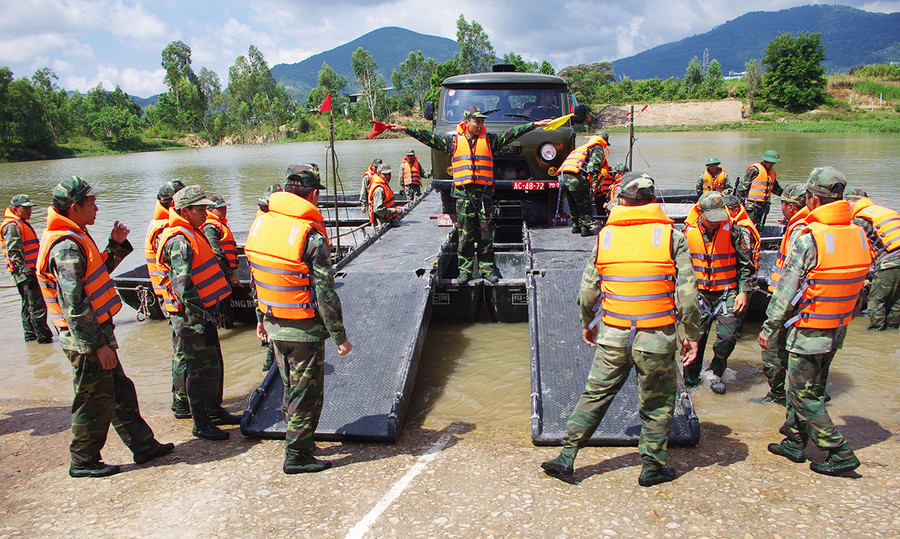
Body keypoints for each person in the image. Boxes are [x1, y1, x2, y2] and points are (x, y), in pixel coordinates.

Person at [540, 172, 701, 487]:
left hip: (613, 335)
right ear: (652, 201)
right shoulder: (672, 237)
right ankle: (652, 468)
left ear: (622, 201)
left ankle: (567, 457)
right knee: (656, 402)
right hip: (656, 339)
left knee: (595, 394)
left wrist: (588, 323)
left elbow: (588, 292)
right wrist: (691, 336)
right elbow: (688, 296)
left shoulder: (605, 236)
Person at [36, 176, 173, 477]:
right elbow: (75, 305)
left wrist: (116, 246)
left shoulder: (76, 236)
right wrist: (98, 346)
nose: (97, 207)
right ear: (74, 208)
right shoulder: (66, 247)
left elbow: (94, 274)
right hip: (86, 339)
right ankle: (83, 461)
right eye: (91, 202)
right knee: (92, 400)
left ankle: (144, 445)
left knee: (120, 392)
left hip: (96, 335)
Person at [759, 167, 870, 476]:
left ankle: (839, 450)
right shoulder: (858, 234)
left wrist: (769, 328)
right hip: (837, 328)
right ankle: (794, 441)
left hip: (808, 329)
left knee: (801, 393)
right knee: (812, 387)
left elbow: (785, 291)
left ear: (811, 198)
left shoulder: (812, 239)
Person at [244, 165, 353, 474]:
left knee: (290, 387)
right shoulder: (311, 236)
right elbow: (325, 294)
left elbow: (257, 279)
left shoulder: (263, 225)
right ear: (314, 194)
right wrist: (339, 336)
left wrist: (259, 317)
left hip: (273, 321)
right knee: (306, 393)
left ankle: (297, 440)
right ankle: (297, 456)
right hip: (303, 329)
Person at [388, 106, 552, 283]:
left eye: (482, 121)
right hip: (464, 195)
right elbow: (429, 138)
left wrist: (534, 124)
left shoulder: (490, 140)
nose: (480, 124)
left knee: (486, 233)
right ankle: (464, 270)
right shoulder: (454, 141)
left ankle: (487, 269)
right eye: (477, 121)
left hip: (484, 195)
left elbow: (512, 133)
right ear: (466, 122)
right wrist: (405, 129)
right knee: (465, 234)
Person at [156, 185, 238, 441]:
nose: (206, 213)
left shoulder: (193, 232)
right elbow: (183, 286)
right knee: (198, 371)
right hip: (191, 318)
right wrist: (202, 315)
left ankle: (214, 411)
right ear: (184, 211)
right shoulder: (178, 240)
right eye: (200, 209)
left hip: (205, 314)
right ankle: (201, 422)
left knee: (212, 365)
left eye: (205, 208)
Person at [682, 191, 755, 394]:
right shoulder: (686, 233)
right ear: (700, 212)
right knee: (696, 337)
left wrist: (743, 292)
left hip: (727, 292)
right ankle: (690, 379)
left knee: (728, 337)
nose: (715, 222)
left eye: (718, 217)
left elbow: (746, 266)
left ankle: (715, 371)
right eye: (710, 218)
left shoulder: (734, 231)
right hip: (699, 294)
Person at [756, 184, 808, 405]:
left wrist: (771, 323)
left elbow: (791, 280)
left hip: (789, 306)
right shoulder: (812, 226)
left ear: (791, 207)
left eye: (783, 205)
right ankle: (807, 394)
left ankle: (778, 396)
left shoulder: (799, 232)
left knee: (771, 354)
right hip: (810, 309)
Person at [143, 180, 190, 418]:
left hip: (172, 301)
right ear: (174, 203)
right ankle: (182, 403)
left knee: (182, 353)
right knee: (182, 354)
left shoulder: (163, 225)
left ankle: (183, 401)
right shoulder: (164, 230)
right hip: (176, 303)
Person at [845, 188, 900, 330]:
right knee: (896, 301)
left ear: (851, 202)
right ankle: (891, 334)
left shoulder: (861, 219)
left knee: (876, 301)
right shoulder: (883, 211)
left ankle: (877, 333)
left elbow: (853, 249)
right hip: (895, 259)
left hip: (891, 262)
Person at [1, 194, 53, 344]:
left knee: (28, 304)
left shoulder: (19, 223)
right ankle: (44, 338)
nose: (29, 211)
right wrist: (26, 271)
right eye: (25, 208)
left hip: (26, 271)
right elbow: (14, 251)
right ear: (15, 209)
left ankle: (30, 336)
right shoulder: (12, 226)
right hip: (25, 273)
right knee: (37, 306)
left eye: (30, 208)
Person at [558, 131, 609, 236]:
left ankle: (575, 226)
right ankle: (585, 229)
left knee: (572, 203)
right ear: (605, 141)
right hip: (575, 176)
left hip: (563, 175)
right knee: (584, 204)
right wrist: (595, 182)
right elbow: (593, 166)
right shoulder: (598, 147)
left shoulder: (584, 147)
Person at [203, 195, 241, 329]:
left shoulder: (220, 224)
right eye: (220, 208)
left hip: (223, 272)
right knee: (224, 309)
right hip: (219, 274)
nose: (224, 210)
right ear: (211, 210)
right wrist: (229, 274)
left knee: (226, 307)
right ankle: (225, 328)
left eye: (225, 207)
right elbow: (216, 253)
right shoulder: (210, 227)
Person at [256, 183, 282, 372]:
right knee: (274, 339)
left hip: (270, 300)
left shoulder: (259, 230)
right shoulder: (268, 231)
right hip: (273, 301)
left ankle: (267, 369)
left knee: (273, 340)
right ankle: (268, 369)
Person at [736, 150, 783, 228]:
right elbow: (742, 188)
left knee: (760, 228)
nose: (772, 164)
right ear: (765, 161)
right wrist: (739, 205)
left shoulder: (772, 172)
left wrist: (786, 195)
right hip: (752, 206)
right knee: (749, 227)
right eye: (770, 162)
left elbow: (775, 188)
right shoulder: (754, 170)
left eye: (773, 163)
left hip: (764, 206)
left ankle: (759, 239)